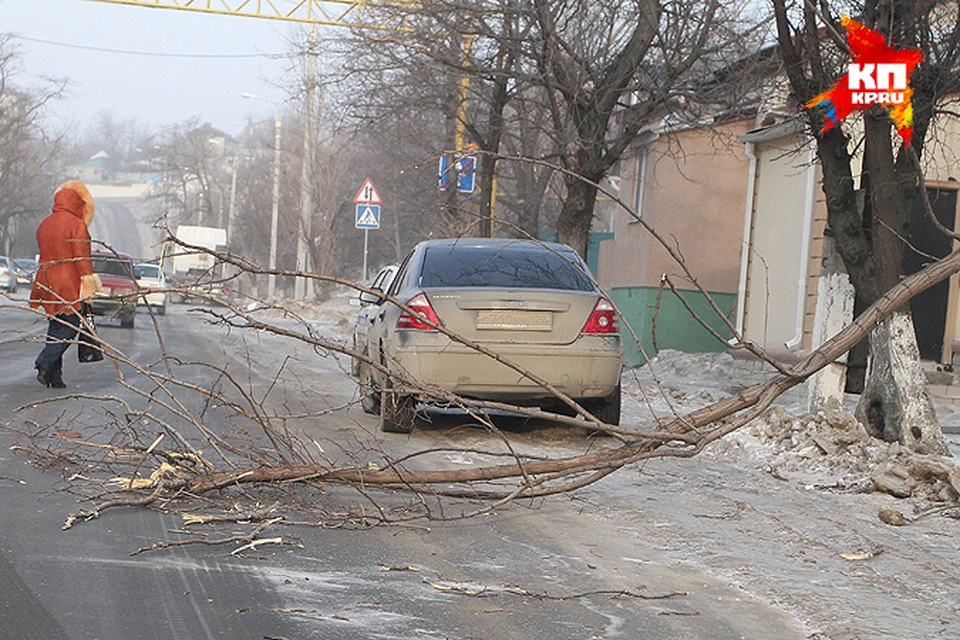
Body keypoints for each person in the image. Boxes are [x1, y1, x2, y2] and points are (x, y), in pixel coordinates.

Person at [29, 181, 101, 388]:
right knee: (71, 327)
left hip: (46, 280)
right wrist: (89, 282)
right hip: (68, 282)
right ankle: (43, 362)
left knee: (55, 326)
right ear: (79, 204)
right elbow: (81, 257)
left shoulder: (45, 223)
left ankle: (54, 376)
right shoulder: (76, 225)